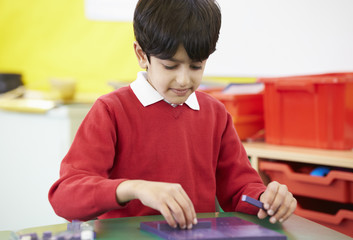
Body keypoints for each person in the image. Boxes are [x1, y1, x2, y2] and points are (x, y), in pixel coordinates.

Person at [49, 0, 296, 230]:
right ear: (141, 55)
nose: (184, 79)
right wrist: (134, 188)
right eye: (170, 66)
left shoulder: (215, 114)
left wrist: (266, 198)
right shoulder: (111, 110)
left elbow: (240, 189)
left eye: (196, 65)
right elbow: (65, 196)